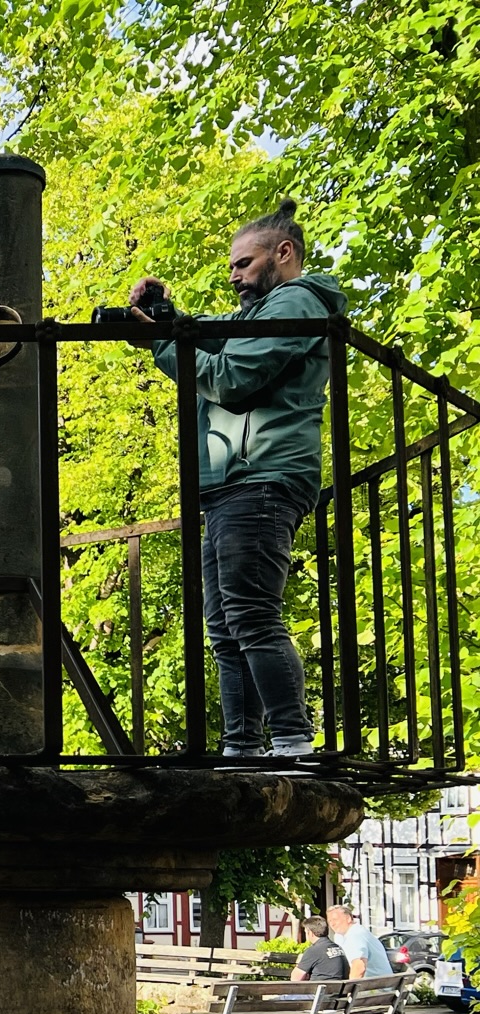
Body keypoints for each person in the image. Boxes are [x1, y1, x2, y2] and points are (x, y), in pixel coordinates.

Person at [135, 199, 344, 759]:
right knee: (225, 625)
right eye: (231, 267)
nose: (234, 277)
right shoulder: (256, 315)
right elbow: (211, 339)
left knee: (249, 612)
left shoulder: (297, 300)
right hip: (235, 482)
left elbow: (230, 380)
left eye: (243, 264)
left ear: (284, 253)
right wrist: (166, 315)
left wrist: (161, 343)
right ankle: (243, 747)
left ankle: (293, 743)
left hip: (264, 475)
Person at [325, 904, 393, 979]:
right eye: (329, 921)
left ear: (348, 918)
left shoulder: (355, 934)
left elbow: (359, 967)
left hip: (376, 988)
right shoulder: (339, 936)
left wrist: (349, 990)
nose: (332, 924)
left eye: (335, 919)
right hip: (375, 985)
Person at [289, 917, 348, 983]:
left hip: (319, 991)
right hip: (339, 992)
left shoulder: (314, 951)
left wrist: (300, 965)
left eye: (305, 932)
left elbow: (295, 979)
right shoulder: (337, 948)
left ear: (310, 933)